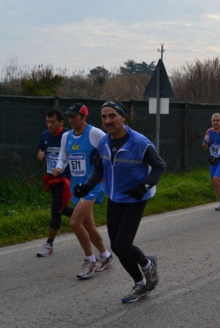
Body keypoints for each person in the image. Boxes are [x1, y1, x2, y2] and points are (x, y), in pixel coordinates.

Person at [76, 100, 167, 303]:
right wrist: (87, 186)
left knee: (123, 245)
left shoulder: (140, 142)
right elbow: (100, 168)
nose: (108, 121)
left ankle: (148, 267)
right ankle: (141, 282)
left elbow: (160, 166)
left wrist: (144, 186)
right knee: (116, 247)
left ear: (123, 117)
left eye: (112, 116)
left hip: (135, 199)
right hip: (115, 197)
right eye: (104, 117)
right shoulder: (104, 142)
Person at [53, 103, 113, 279]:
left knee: (74, 222)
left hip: (93, 185)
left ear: (84, 117)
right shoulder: (66, 136)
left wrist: (105, 172)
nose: (71, 120)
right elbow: (63, 157)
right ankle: (105, 255)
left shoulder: (94, 133)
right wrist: (58, 168)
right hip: (77, 186)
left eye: (74, 116)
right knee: (88, 225)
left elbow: (109, 151)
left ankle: (90, 259)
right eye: (69, 117)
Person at [36, 108, 74, 257]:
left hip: (65, 178)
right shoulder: (45, 135)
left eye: (53, 122)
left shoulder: (67, 135)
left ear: (61, 122)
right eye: (47, 121)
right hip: (52, 178)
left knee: (55, 208)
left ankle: (49, 244)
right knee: (62, 209)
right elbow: (42, 148)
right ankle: (82, 217)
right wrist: (40, 153)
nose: (49, 124)